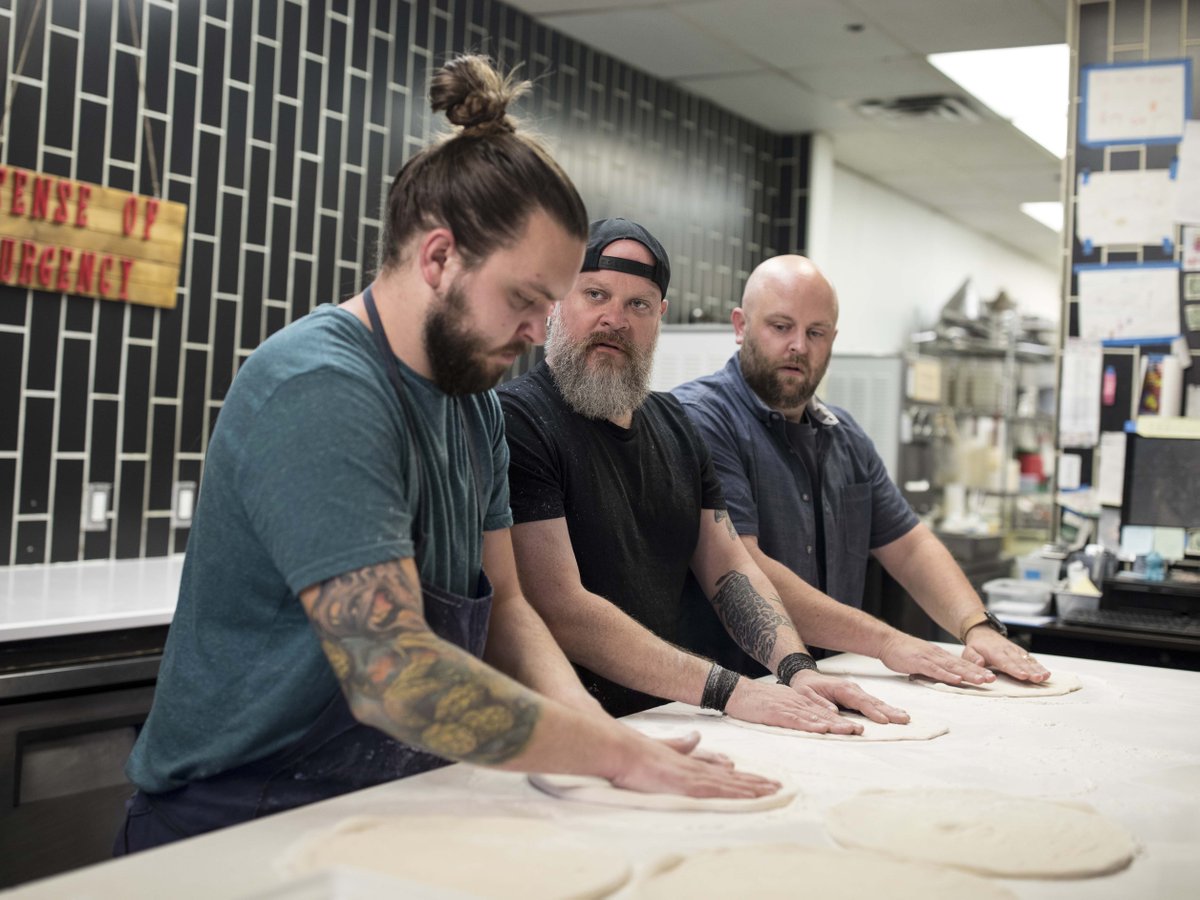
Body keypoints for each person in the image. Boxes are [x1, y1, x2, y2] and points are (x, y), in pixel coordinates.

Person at [115, 58, 780, 855]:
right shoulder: (321, 387)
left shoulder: (473, 406)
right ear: (438, 259)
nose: (537, 332)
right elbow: (395, 676)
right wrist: (613, 754)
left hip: (386, 808)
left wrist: (601, 738)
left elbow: (507, 609)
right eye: (525, 300)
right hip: (237, 828)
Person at [498, 218, 909, 734]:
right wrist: (731, 691)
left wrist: (797, 668)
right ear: (556, 302)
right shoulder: (516, 422)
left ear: (660, 318)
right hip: (566, 735)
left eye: (638, 304)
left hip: (669, 719)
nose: (615, 319)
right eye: (596, 295)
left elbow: (728, 567)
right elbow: (561, 607)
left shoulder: (676, 425)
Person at [672, 255, 1051, 684]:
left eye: (816, 332)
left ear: (833, 339)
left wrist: (975, 625)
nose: (799, 346)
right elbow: (744, 567)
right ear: (740, 326)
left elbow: (909, 546)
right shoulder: (701, 419)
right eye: (780, 326)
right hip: (733, 695)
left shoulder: (845, 437)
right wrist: (887, 642)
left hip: (828, 686)